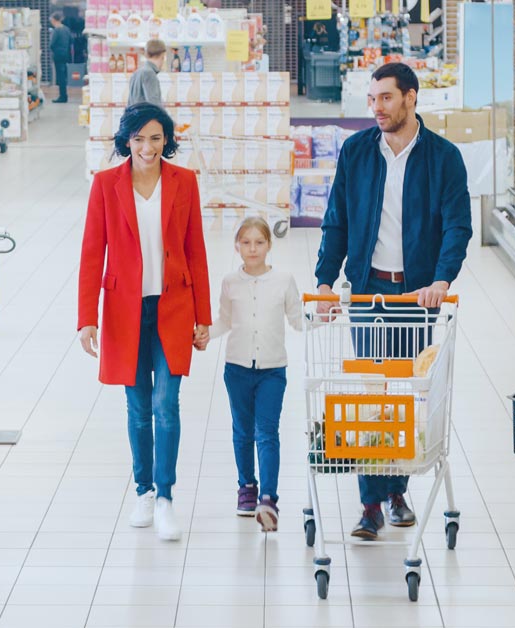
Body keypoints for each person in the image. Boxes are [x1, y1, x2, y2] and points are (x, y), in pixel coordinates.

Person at [314, 62, 471, 540]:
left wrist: (442, 279)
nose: (377, 107)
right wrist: (325, 280)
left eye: (386, 97)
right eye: (372, 99)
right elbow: (336, 220)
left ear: (411, 97)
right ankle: (369, 504)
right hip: (367, 289)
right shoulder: (357, 152)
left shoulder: (443, 157)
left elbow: (457, 225)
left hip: (416, 295)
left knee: (406, 394)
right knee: (368, 392)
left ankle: (397, 489)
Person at [77, 103, 212, 542]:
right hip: (124, 311)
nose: (147, 147)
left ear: (166, 140)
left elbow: (196, 252)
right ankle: (144, 491)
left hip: (173, 308)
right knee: (138, 408)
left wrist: (204, 317)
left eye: (155, 138)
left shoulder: (184, 182)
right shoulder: (105, 186)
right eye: (138, 138)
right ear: (126, 141)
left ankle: (167, 497)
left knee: (165, 404)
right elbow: (92, 254)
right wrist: (86, 318)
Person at [209, 217, 303, 532]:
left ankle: (268, 499)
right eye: (246, 243)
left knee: (267, 432)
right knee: (242, 431)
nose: (252, 249)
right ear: (237, 246)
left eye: (259, 242)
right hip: (236, 368)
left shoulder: (284, 280)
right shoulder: (229, 282)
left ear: (269, 245)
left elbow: (297, 319)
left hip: (272, 370)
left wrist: (324, 317)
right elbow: (224, 321)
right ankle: (246, 487)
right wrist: (204, 334)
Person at [128, 39, 167, 106]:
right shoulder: (149, 74)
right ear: (162, 55)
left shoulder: (136, 73)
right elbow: (154, 106)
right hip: (146, 116)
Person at [49, 12, 74, 104]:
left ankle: (62, 96)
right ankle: (64, 95)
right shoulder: (66, 29)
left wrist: (54, 50)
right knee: (63, 76)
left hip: (58, 55)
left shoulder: (56, 30)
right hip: (65, 55)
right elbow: (72, 40)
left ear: (54, 20)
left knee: (60, 76)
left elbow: (51, 44)